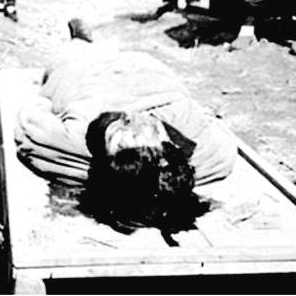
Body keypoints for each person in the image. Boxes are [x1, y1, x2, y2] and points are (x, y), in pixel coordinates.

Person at [14, 19, 237, 235]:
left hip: (86, 71)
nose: (130, 119)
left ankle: (82, 42)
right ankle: (96, 45)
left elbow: (30, 120)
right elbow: (218, 139)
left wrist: (47, 100)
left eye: (119, 136)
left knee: (76, 52)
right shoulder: (199, 145)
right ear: (167, 151)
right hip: (145, 68)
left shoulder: (78, 139)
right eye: (145, 133)